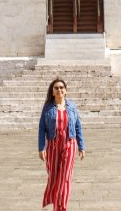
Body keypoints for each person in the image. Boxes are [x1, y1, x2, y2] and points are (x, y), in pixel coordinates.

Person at [38, 77, 84, 210]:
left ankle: (60, 207)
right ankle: (56, 201)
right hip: (52, 145)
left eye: (61, 88)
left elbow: (78, 126)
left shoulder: (72, 106)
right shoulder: (47, 108)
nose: (59, 90)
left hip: (69, 144)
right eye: (56, 88)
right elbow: (42, 128)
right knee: (53, 176)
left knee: (65, 176)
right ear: (52, 92)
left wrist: (81, 146)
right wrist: (42, 147)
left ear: (66, 91)